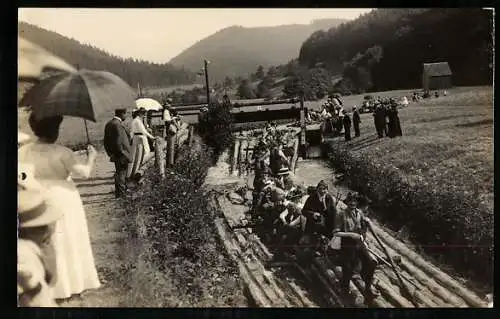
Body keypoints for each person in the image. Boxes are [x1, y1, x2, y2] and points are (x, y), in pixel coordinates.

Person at [18, 113, 101, 300]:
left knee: (45, 240)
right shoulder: (62, 152)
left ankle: (46, 284)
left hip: (36, 195)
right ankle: (74, 283)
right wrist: (91, 157)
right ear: (55, 130)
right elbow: (84, 173)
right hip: (63, 196)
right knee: (69, 238)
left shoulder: (23, 151)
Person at [332, 192, 379, 298]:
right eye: (350, 201)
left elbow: (363, 229)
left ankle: (368, 288)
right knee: (348, 269)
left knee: (371, 263)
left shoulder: (359, 213)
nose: (352, 203)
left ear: (357, 202)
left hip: (359, 243)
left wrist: (366, 224)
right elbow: (336, 233)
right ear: (347, 202)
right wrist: (351, 235)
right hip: (347, 244)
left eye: (354, 201)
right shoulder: (341, 214)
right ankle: (345, 290)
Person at [301, 180, 338, 255]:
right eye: (320, 189)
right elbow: (304, 211)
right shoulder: (311, 198)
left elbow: (333, 213)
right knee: (311, 245)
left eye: (324, 189)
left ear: (327, 190)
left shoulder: (329, 198)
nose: (322, 191)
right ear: (317, 189)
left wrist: (324, 204)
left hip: (326, 225)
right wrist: (313, 214)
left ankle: (324, 251)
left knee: (326, 243)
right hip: (313, 224)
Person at [104, 108, 133, 198]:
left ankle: (118, 193)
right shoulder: (118, 125)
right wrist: (121, 152)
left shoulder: (109, 124)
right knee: (121, 173)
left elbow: (105, 141)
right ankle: (122, 194)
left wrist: (110, 153)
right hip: (121, 153)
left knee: (118, 172)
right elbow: (119, 141)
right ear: (122, 114)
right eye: (125, 114)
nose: (126, 116)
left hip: (115, 153)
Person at [127, 108, 155, 180]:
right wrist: (152, 137)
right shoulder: (137, 121)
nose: (144, 115)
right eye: (143, 113)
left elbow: (132, 132)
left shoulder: (137, 120)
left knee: (138, 155)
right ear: (139, 114)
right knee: (142, 154)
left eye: (144, 113)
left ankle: (135, 172)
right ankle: (136, 172)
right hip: (140, 138)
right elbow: (144, 131)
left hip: (138, 137)